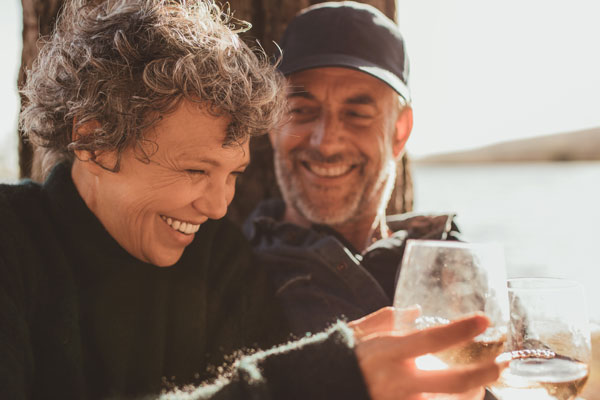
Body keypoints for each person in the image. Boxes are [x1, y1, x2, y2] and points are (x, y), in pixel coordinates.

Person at [0, 1, 505, 399]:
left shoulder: (219, 262)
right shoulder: (13, 240)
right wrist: (303, 382)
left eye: (233, 174)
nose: (220, 206)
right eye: (196, 170)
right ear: (92, 139)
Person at [245, 1, 460, 335]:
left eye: (357, 114)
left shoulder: (457, 266)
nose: (326, 142)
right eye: (302, 110)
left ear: (399, 132)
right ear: (273, 125)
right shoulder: (223, 273)